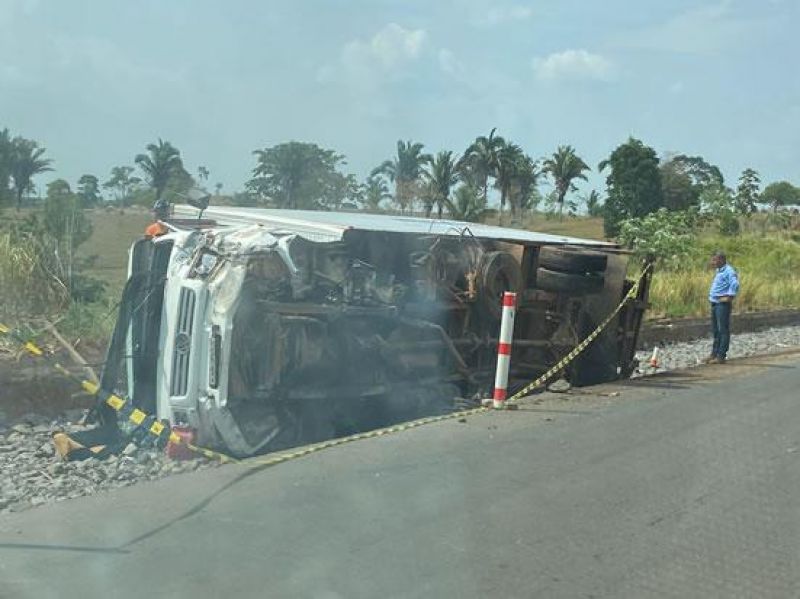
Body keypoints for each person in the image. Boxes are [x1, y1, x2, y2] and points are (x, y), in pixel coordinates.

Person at [706, 251, 739, 364]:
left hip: (722, 304)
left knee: (723, 330)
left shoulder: (729, 271)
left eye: (715, 260)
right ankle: (714, 354)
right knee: (716, 330)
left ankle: (721, 355)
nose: (713, 262)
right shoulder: (719, 271)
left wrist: (730, 296)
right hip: (715, 303)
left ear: (722, 260)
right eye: (713, 260)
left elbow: (735, 284)